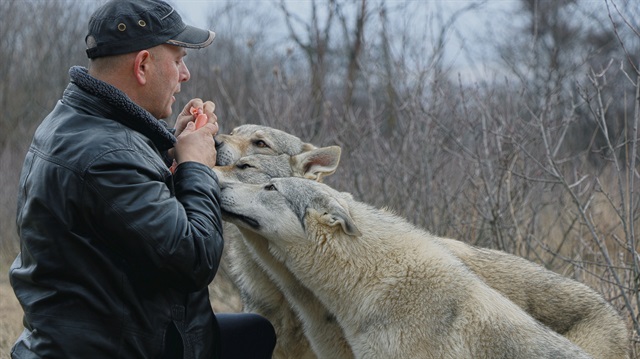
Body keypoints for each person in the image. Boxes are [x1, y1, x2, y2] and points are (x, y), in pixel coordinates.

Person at [8, 0, 276, 358]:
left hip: (88, 335)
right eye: (179, 59)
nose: (185, 75)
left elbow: (124, 204)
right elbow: (195, 259)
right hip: (117, 347)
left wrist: (170, 147)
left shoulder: (70, 120)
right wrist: (196, 165)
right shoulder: (109, 157)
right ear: (143, 65)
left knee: (254, 333)